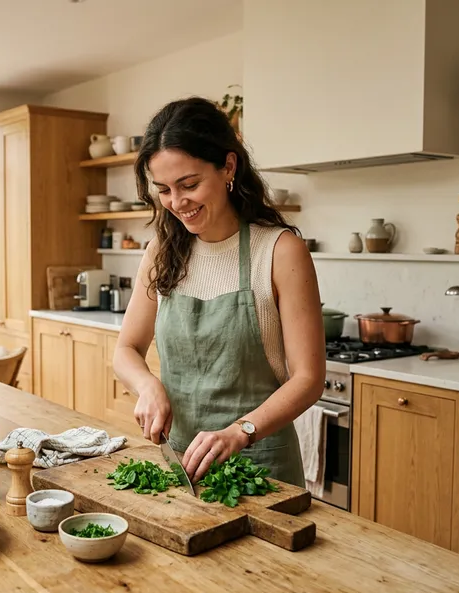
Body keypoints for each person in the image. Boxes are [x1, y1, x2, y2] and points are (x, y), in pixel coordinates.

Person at [113, 97, 326, 486]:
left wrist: (239, 432)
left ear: (228, 167)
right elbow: (126, 349)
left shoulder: (280, 251)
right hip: (180, 465)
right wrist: (148, 386)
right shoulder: (161, 252)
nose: (177, 203)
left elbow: (309, 378)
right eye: (163, 189)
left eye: (189, 184)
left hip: (262, 471)